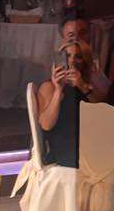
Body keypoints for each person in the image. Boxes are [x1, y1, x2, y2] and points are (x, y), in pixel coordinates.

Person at [37, 40, 108, 168]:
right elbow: (46, 125)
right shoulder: (48, 87)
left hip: (89, 144)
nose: (72, 60)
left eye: (78, 57)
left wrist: (83, 86)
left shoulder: (87, 86)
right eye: (67, 55)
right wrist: (58, 89)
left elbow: (103, 111)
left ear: (85, 62)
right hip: (65, 149)